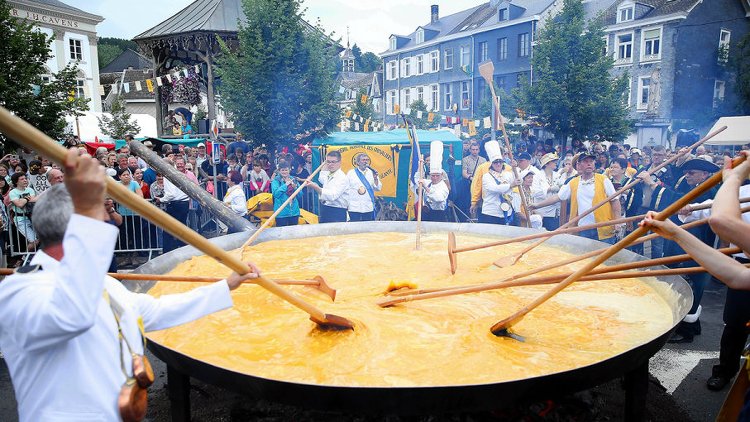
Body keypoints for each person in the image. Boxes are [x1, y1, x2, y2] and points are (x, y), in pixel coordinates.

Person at [0, 150, 261, 421]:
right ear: (76, 230)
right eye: (99, 224)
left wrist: (226, 285)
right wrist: (87, 201)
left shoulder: (103, 286)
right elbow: (72, 314)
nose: (107, 233)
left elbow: (158, 310)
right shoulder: (21, 291)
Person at [648, 158, 720, 343]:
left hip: (698, 245)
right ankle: (692, 326)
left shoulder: (708, 191)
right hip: (685, 243)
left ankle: (687, 330)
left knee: (691, 284)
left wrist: (654, 186)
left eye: (692, 173)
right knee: (686, 283)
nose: (687, 176)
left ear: (705, 175)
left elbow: (678, 201)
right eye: (687, 173)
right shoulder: (695, 186)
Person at [530, 151, 621, 244]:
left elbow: (615, 201)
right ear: (579, 165)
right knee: (585, 257)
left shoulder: (603, 180)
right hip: (583, 228)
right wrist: (537, 205)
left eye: (591, 161)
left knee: (605, 257)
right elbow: (558, 197)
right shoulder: (573, 182)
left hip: (603, 227)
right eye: (585, 161)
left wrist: (617, 221)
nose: (589, 164)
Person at [479, 141, 516, 225]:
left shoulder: (508, 174)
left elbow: (519, 180)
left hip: (507, 212)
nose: (498, 164)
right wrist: (510, 185)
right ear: (491, 163)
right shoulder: (486, 176)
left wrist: (515, 168)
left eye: (500, 161)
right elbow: (494, 188)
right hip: (491, 213)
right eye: (495, 162)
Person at [306, 151, 348, 223]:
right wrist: (326, 162)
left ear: (339, 162)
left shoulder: (342, 178)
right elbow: (321, 178)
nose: (330, 164)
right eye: (328, 162)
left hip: (337, 212)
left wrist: (316, 187)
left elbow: (332, 196)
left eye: (333, 162)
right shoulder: (329, 174)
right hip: (325, 209)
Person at [415, 141, 449, 222]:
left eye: (437, 176)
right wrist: (420, 166)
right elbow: (417, 179)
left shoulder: (443, 187)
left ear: (441, 175)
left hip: (438, 215)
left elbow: (438, 198)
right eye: (433, 176)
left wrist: (426, 188)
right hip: (426, 213)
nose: (435, 178)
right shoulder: (428, 182)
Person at [346, 153, 382, 221]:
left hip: (367, 207)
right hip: (354, 207)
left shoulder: (372, 172)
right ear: (358, 162)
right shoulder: (351, 173)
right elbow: (346, 189)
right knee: (354, 227)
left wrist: (375, 178)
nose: (365, 162)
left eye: (367, 160)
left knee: (368, 228)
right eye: (363, 160)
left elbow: (378, 188)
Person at [531, 153, 561, 231]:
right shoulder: (537, 176)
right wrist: (549, 189)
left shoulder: (557, 175)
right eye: (553, 161)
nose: (556, 163)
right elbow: (534, 192)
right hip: (543, 212)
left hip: (556, 212)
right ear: (547, 163)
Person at [9, 172, 38, 251]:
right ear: (16, 182)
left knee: (40, 238)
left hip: (32, 217)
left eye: (25, 178)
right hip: (20, 219)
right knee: (34, 241)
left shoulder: (30, 189)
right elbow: (19, 204)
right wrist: (26, 199)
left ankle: (28, 257)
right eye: (22, 179)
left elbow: (33, 199)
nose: (25, 180)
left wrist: (23, 200)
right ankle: (25, 258)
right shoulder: (13, 192)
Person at [459, 142, 486, 220]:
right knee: (471, 202)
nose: (475, 151)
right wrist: (471, 178)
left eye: (476, 149)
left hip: (481, 183)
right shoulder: (465, 160)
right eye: (473, 149)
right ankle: (472, 219)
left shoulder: (483, 160)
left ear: (479, 150)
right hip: (470, 183)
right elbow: (464, 173)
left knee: (481, 202)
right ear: (470, 150)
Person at [270, 161, 301, 226]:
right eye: (282, 170)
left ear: (289, 170)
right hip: (281, 213)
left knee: (293, 233)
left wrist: (295, 188)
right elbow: (276, 194)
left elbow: (300, 194)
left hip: (294, 212)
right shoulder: (276, 181)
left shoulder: (293, 179)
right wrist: (285, 185)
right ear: (279, 171)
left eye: (286, 170)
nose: (284, 172)